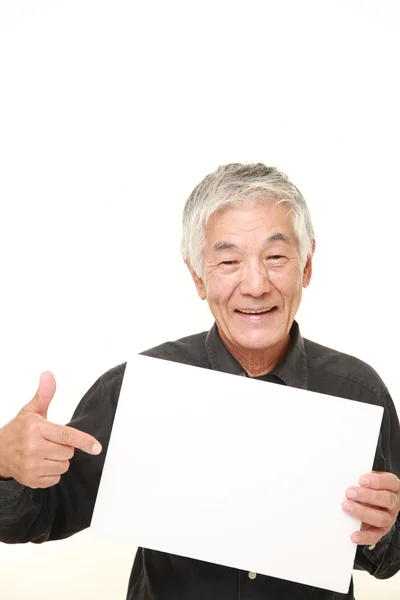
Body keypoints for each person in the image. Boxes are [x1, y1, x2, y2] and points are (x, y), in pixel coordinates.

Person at [0, 163, 399, 600]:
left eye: (276, 257)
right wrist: (4, 463)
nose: (255, 284)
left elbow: (390, 557)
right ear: (197, 277)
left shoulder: (359, 393)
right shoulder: (137, 390)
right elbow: (33, 520)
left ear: (306, 265)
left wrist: (384, 528)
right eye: (229, 261)